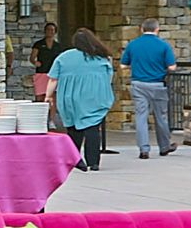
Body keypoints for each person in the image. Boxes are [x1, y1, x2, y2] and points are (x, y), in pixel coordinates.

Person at [50, 28, 117, 171]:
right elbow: (109, 78)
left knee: (73, 129)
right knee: (92, 129)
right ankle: (93, 162)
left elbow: (53, 79)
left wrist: (48, 95)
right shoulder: (101, 58)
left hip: (70, 98)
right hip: (94, 98)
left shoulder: (64, 57)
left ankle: (75, 159)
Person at [121, 19, 179, 158]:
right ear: (157, 29)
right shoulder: (163, 45)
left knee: (141, 116)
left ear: (141, 29)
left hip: (138, 84)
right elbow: (172, 66)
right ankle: (164, 146)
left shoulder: (133, 44)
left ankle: (144, 149)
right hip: (158, 84)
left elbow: (123, 65)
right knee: (161, 116)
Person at [28, 20, 60, 101]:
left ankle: (51, 114)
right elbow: (32, 58)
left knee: (52, 97)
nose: (50, 31)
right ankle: (40, 113)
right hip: (41, 72)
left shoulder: (58, 46)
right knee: (39, 96)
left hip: (53, 73)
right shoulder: (38, 44)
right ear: (45, 31)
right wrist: (35, 62)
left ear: (55, 32)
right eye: (48, 29)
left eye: (52, 30)